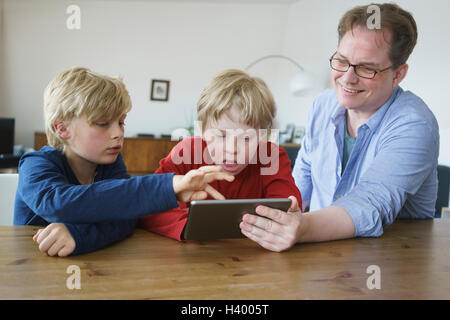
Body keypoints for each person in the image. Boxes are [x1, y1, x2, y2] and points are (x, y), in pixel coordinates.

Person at [240, 3, 439, 252]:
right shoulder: (323, 105)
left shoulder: (414, 124)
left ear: (398, 74)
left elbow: (371, 204)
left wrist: (300, 227)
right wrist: (278, 217)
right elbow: (302, 177)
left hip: (391, 264)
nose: (347, 78)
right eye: (342, 61)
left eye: (367, 68)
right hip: (320, 256)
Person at [14, 67, 234, 256]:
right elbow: (61, 205)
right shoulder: (35, 164)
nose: (118, 133)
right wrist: (168, 186)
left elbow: (126, 219)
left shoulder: (110, 163)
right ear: (62, 128)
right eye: (102, 123)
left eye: (121, 122)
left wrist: (79, 235)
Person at [138, 69, 302, 241]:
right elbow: (148, 206)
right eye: (220, 135)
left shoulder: (271, 156)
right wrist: (190, 226)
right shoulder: (186, 152)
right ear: (202, 130)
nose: (232, 150)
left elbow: (289, 212)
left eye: (246, 138)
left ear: (262, 136)